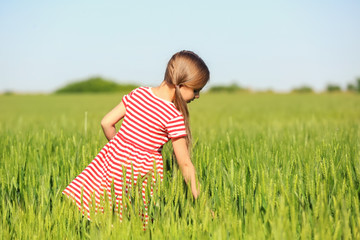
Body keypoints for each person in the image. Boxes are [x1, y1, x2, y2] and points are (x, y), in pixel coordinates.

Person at [62, 50, 210, 227]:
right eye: (196, 90)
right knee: (130, 222)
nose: (197, 96)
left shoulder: (138, 94)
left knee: (102, 213)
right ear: (182, 84)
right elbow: (185, 164)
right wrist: (203, 204)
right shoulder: (174, 116)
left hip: (112, 164)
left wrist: (120, 148)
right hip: (142, 173)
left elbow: (106, 122)